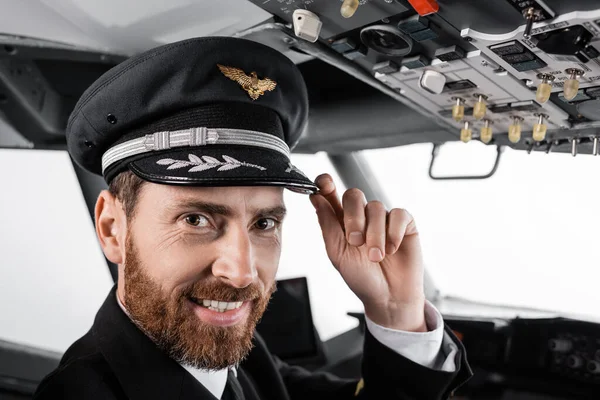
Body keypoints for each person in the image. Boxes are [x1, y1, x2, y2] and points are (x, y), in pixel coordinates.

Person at [33, 37, 472, 400]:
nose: (242, 273)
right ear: (113, 228)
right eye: (196, 220)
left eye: (264, 224)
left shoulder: (240, 356)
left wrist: (396, 312)